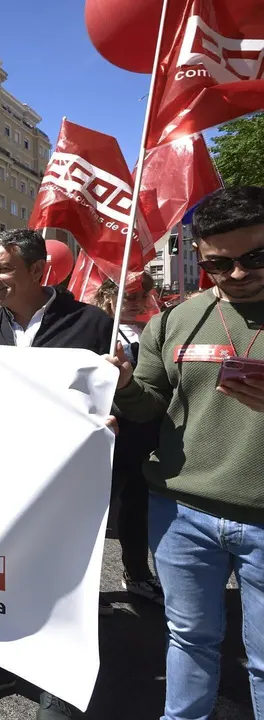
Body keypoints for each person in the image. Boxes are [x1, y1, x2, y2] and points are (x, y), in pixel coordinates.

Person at [106, 186, 264, 720]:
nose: (238, 274)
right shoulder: (175, 319)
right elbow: (149, 406)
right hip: (181, 514)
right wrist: (123, 385)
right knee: (189, 638)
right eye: (221, 262)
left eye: (255, 258)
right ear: (201, 256)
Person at [0, 228, 114, 720]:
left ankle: (59, 680)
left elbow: (122, 397)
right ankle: (1, 657)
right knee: (4, 566)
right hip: (2, 475)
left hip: (69, 479)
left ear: (36, 269)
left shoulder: (92, 325)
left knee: (65, 573)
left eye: (2, 268)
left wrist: (119, 402)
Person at [92, 276, 164, 606]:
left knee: (137, 511)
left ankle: (136, 574)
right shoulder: (100, 332)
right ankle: (83, 588)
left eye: (142, 295)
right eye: (128, 295)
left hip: (146, 438)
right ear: (109, 298)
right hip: (108, 437)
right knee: (93, 514)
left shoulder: (153, 331)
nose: (135, 302)